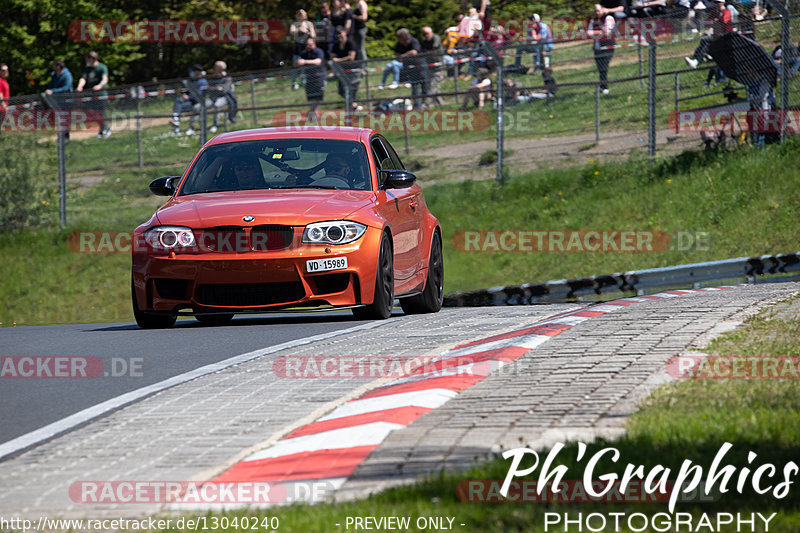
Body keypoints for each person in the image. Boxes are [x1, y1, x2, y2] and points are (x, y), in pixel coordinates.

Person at [685, 0, 732, 69]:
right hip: (716, 34)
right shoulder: (714, 12)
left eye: (718, 2)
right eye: (715, 2)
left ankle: (697, 60)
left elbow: (724, 23)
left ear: (723, 3)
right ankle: (698, 59)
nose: (716, 4)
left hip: (725, 35)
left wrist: (715, 21)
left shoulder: (726, 11)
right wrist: (713, 23)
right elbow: (707, 22)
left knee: (707, 40)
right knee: (705, 38)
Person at [75, 51, 111, 138]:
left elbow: (105, 79)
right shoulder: (87, 68)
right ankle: (104, 128)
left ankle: (103, 130)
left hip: (101, 94)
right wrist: (80, 86)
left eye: (87, 58)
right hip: (91, 96)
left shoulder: (102, 67)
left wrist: (100, 85)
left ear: (91, 58)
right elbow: (83, 78)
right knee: (91, 113)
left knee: (101, 113)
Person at [170, 64, 208, 136]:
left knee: (180, 105)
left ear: (197, 72)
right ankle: (176, 123)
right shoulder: (194, 81)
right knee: (178, 101)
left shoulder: (202, 82)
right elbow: (189, 91)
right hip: (190, 102)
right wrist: (184, 93)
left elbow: (199, 95)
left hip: (197, 102)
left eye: (193, 71)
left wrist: (189, 97)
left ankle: (177, 122)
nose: (191, 73)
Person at [587, 4, 616, 95]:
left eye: (598, 10)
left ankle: (604, 87)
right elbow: (588, 33)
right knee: (600, 68)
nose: (597, 12)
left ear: (603, 10)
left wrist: (595, 33)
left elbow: (607, 33)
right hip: (597, 47)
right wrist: (600, 32)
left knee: (604, 67)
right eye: (595, 11)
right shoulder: (593, 21)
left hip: (607, 47)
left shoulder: (608, 18)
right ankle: (602, 86)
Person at [331, 26, 362, 109]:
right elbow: (332, 56)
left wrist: (338, 60)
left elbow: (351, 57)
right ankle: (352, 105)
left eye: (340, 33)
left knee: (352, 88)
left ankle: (353, 106)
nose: (338, 35)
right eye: (337, 34)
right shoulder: (336, 45)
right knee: (341, 90)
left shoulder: (350, 43)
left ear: (344, 32)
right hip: (343, 70)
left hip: (354, 69)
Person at [296, 38, 326, 118]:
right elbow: (298, 62)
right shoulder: (304, 53)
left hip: (318, 77)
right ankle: (313, 111)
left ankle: (314, 111)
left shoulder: (318, 51)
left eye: (310, 45)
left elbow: (318, 61)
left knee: (318, 95)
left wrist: (305, 62)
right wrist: (299, 62)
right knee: (311, 96)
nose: (308, 46)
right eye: (307, 45)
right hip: (309, 78)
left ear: (314, 44)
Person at [207, 61, 237, 133]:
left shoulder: (227, 77)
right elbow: (208, 88)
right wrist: (217, 88)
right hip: (213, 97)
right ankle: (193, 128)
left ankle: (215, 125)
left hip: (226, 97)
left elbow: (224, 90)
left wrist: (215, 88)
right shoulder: (213, 77)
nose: (214, 68)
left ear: (221, 68)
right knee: (199, 106)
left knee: (217, 105)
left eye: (216, 66)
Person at [290, 9, 316, 90]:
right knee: (295, 66)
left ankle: (304, 82)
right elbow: (292, 31)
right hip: (297, 48)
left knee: (305, 66)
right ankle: (294, 83)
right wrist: (299, 29)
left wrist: (308, 33)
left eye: (302, 14)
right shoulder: (295, 24)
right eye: (299, 15)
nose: (301, 16)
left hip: (306, 48)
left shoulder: (309, 24)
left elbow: (313, 35)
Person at [420, 26, 444, 108]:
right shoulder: (424, 42)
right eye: (423, 34)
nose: (425, 36)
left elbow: (434, 49)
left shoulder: (435, 38)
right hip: (429, 66)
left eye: (427, 33)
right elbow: (422, 52)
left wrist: (428, 53)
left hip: (438, 66)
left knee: (432, 86)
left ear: (431, 32)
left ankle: (425, 104)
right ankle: (440, 105)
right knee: (435, 87)